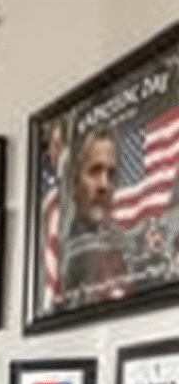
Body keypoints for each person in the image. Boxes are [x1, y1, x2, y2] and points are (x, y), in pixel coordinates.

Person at [61, 126, 132, 300]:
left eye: (111, 174)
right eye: (94, 171)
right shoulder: (59, 252)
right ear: (74, 182)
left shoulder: (126, 249)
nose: (104, 185)